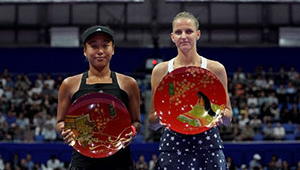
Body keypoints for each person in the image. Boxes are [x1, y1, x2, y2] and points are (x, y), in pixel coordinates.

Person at [148, 11, 232, 170]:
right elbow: (152, 123)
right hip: (173, 146)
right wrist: (169, 115)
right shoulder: (160, 70)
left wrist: (217, 114)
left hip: (209, 145)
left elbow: (228, 118)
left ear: (198, 34)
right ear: (172, 37)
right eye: (178, 32)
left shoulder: (216, 68)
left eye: (189, 31)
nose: (183, 36)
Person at [56, 25, 141, 170]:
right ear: (85, 51)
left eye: (105, 46)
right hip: (83, 162)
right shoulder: (69, 84)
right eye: (93, 46)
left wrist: (131, 132)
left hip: (120, 162)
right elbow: (60, 123)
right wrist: (66, 131)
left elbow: (137, 123)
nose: (100, 51)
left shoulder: (129, 84)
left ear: (113, 49)